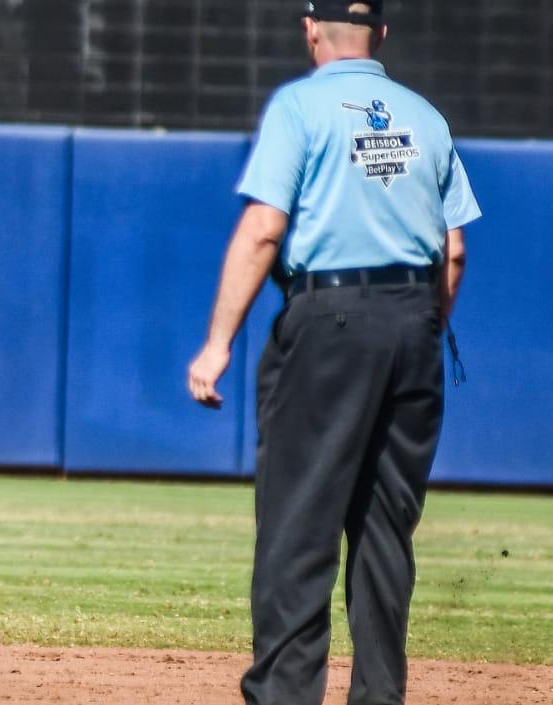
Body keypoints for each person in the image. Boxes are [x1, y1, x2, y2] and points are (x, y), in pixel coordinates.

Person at [185, 3, 479, 704]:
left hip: (329, 321)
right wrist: (414, 329)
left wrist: (217, 342)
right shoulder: (425, 117)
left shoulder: (299, 106)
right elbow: (455, 251)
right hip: (414, 323)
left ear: (308, 28)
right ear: (382, 30)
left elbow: (262, 228)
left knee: (298, 523)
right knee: (384, 531)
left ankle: (286, 695)